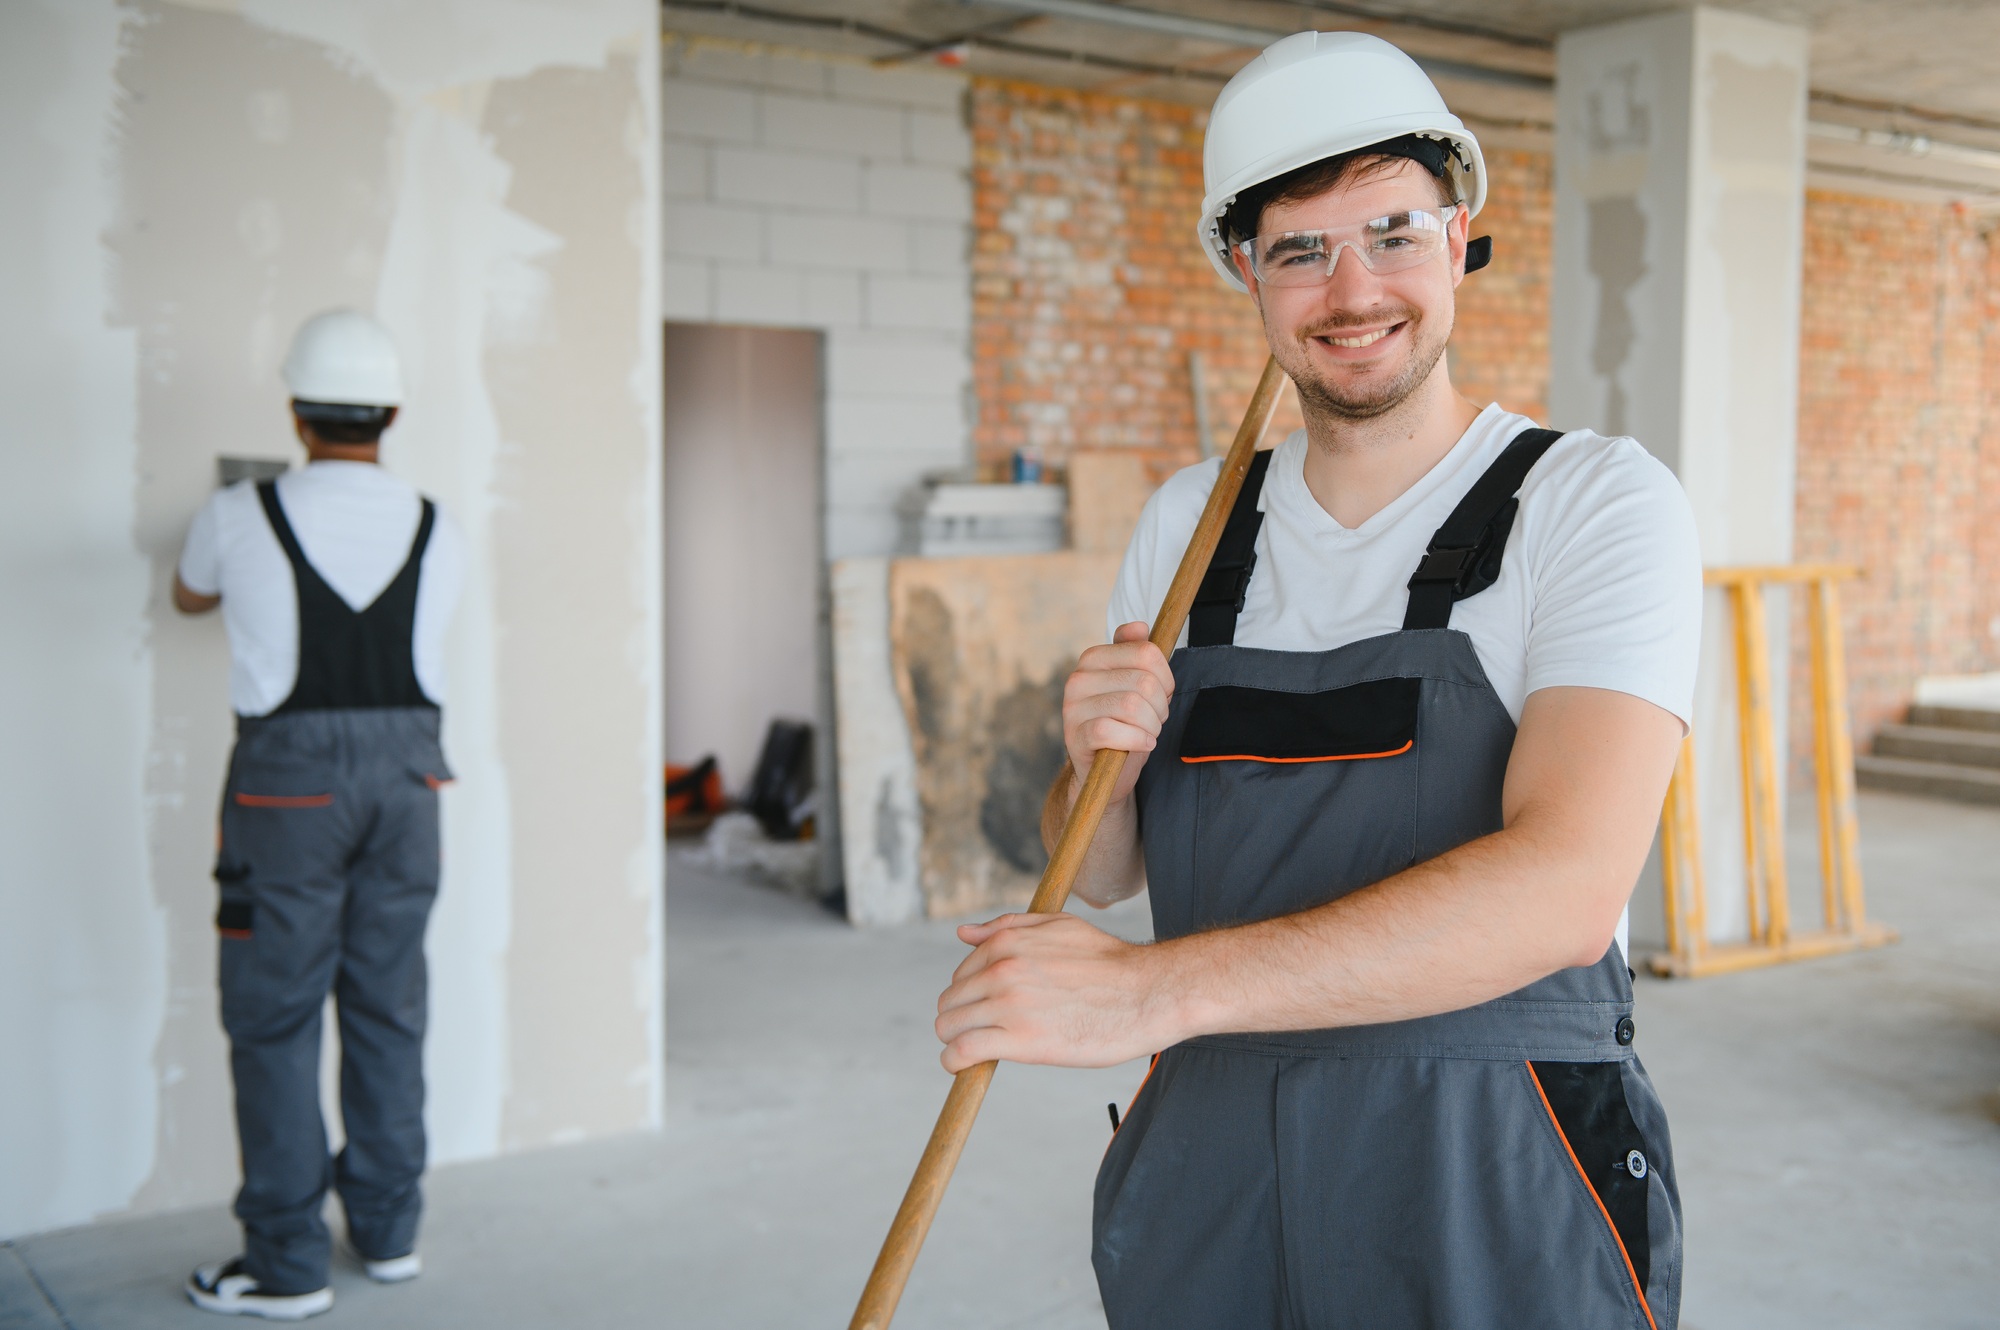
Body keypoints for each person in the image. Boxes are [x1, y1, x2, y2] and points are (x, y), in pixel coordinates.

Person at [933, 31, 1700, 1330]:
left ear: (1457, 236)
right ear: (1247, 269)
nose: (1353, 290)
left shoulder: (1590, 501)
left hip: (1492, 1177)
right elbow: (1102, 865)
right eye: (1301, 249)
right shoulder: (1191, 523)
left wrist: (1147, 989)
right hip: (1215, 1180)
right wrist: (1092, 761)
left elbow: (1570, 887)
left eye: (1392, 232)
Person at [174, 309, 464, 1320]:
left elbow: (187, 593)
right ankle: (387, 1232)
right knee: (389, 1004)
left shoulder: (238, 512)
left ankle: (287, 1262)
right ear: (390, 411)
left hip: (287, 788)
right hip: (410, 786)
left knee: (275, 1016)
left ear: (296, 412)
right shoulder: (439, 522)